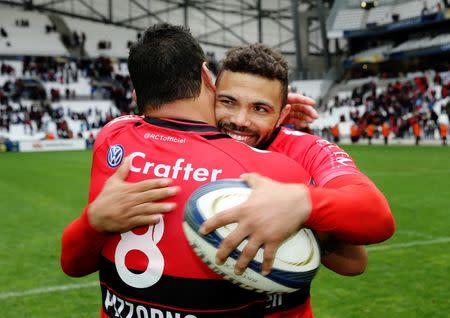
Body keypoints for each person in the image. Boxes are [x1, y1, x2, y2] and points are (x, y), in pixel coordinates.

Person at [61, 23, 314, 318]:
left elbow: (73, 265)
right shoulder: (271, 168)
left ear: (136, 91)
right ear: (207, 76)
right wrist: (269, 119)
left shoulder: (113, 136)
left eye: (259, 108)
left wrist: (92, 223)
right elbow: (353, 261)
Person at [201, 43, 395, 317]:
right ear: (211, 98)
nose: (240, 120)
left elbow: (371, 228)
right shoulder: (187, 142)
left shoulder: (306, 150)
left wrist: (299, 205)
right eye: (228, 102)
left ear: (282, 115)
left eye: (260, 109)